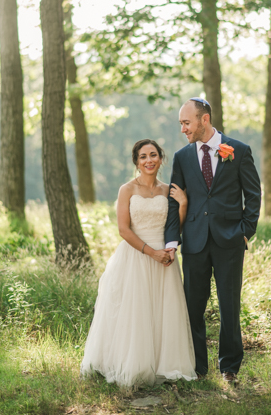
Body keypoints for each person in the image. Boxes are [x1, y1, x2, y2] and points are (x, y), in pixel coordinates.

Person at [81, 139, 196, 387]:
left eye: (153, 155)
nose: (149, 160)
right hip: (136, 255)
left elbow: (175, 226)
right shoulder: (127, 190)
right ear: (136, 162)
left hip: (165, 258)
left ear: (161, 159)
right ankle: (135, 363)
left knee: (164, 310)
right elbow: (123, 229)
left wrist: (183, 206)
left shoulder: (168, 191)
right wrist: (150, 252)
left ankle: (164, 363)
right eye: (143, 157)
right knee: (136, 312)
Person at [164, 97, 261, 384]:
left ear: (204, 119)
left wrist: (245, 230)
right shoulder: (182, 157)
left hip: (229, 240)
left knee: (229, 305)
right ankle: (197, 366)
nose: (183, 129)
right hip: (194, 241)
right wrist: (172, 240)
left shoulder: (239, 151)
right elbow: (173, 201)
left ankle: (229, 367)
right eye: (181, 123)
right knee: (193, 306)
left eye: (186, 122)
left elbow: (253, 195)